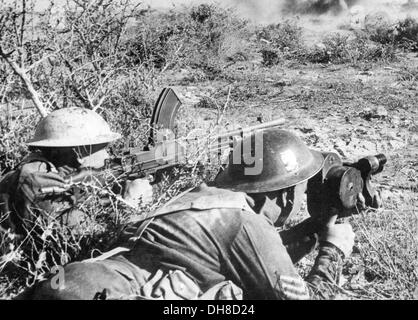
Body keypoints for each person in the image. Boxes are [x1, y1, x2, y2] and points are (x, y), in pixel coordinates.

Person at [21, 128, 356, 300]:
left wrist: (312, 230)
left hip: (66, 281)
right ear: (283, 194)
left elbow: (251, 257)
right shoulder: (245, 224)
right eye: (301, 189)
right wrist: (332, 250)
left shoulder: (203, 201)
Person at [0, 107, 153, 237]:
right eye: (104, 148)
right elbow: (87, 238)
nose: (109, 157)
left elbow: (76, 204)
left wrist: (109, 197)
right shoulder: (35, 180)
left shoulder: (46, 169)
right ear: (80, 155)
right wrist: (130, 204)